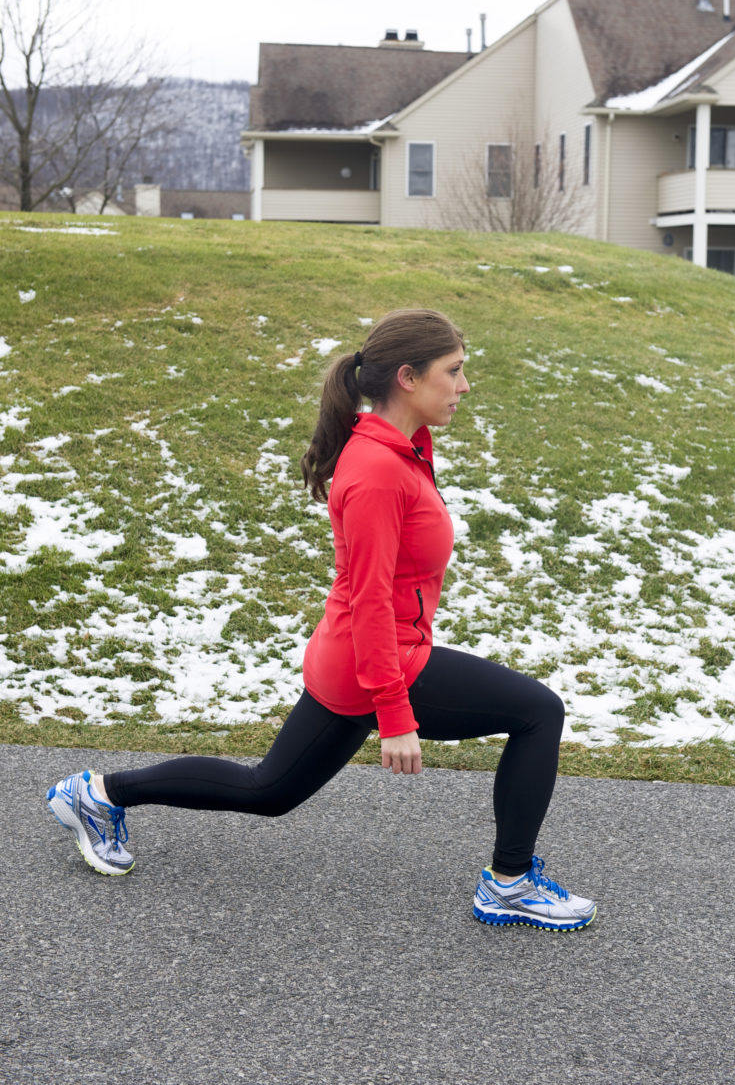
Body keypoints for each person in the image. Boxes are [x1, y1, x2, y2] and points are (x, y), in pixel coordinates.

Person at [47, 308, 596, 931]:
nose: (465, 386)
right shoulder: (377, 471)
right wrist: (395, 714)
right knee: (538, 711)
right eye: (456, 371)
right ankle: (510, 883)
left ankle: (98, 794)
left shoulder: (402, 449)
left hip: (358, 657)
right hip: (376, 659)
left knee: (268, 792)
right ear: (409, 378)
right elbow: (369, 601)